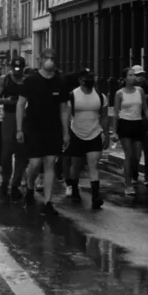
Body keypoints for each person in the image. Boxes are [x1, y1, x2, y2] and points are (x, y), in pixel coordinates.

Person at [16, 48, 69, 217]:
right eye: (47, 58)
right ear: (40, 60)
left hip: (53, 128)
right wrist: (19, 129)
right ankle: (30, 187)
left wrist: (66, 131)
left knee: (50, 164)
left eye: (53, 58)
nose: (50, 61)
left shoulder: (60, 81)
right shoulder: (31, 80)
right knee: (35, 164)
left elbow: (64, 108)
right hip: (34, 127)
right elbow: (20, 104)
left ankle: (48, 201)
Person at [63, 68, 110, 209]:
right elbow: (66, 116)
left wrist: (106, 134)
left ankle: (96, 197)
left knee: (93, 165)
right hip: (76, 134)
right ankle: (75, 190)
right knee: (76, 165)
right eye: (86, 79)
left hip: (94, 134)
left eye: (91, 78)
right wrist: (65, 134)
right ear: (80, 81)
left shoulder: (100, 97)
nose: (89, 81)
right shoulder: (72, 95)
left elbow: (105, 116)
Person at [113, 66, 148, 197]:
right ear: (125, 78)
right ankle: (128, 184)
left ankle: (132, 175)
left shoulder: (140, 91)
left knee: (137, 155)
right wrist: (114, 131)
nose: (133, 77)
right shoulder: (119, 93)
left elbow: (146, 108)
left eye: (134, 75)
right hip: (125, 124)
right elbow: (115, 113)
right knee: (129, 155)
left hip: (138, 123)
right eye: (130, 75)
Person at [0, 56, 29, 199]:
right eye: (14, 68)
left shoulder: (27, 81)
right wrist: (6, 100)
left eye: (19, 68)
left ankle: (15, 184)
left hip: (25, 117)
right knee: (7, 151)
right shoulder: (5, 80)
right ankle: (5, 181)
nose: (16, 70)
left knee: (22, 152)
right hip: (9, 116)